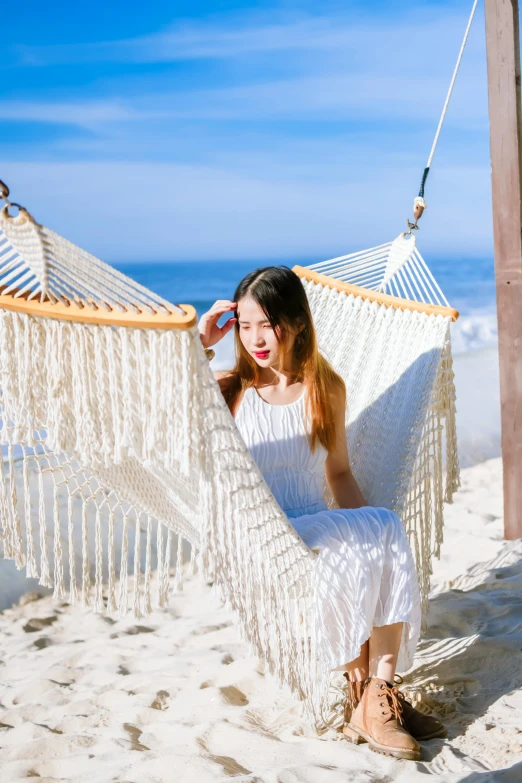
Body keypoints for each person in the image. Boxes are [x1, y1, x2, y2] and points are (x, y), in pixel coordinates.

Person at [198, 265, 446, 761]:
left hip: (316, 522)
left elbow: (338, 475)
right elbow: (166, 411)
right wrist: (201, 344)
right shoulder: (227, 391)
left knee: (378, 530)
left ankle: (376, 691)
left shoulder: (324, 387)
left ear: (296, 322)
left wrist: (372, 535)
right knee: (373, 531)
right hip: (265, 531)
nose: (255, 338)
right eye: (244, 326)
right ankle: (373, 701)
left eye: (266, 324)